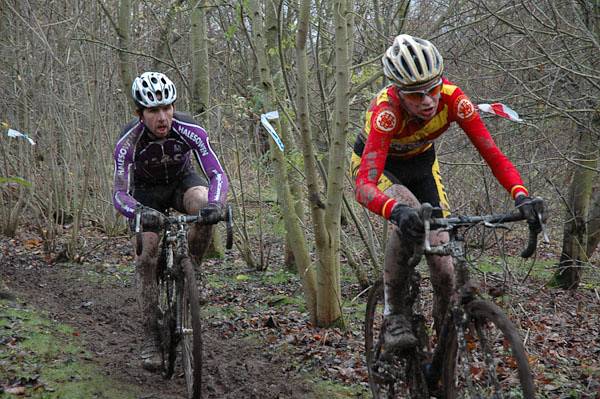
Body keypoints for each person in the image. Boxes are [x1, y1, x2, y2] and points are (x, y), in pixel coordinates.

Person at [352, 35, 543, 353]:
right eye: (415, 94)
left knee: (443, 265)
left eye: (432, 88)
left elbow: (493, 156)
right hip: (380, 168)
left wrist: (521, 196)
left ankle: (444, 350)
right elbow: (363, 186)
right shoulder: (386, 113)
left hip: (423, 164)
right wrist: (396, 212)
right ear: (399, 92)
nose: (427, 100)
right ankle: (394, 314)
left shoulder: (455, 100)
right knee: (407, 209)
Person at [112, 71, 229, 371]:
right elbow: (119, 193)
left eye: (167, 108)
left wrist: (215, 204)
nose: (162, 117)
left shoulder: (190, 129)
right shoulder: (129, 142)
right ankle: (150, 336)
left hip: (181, 184)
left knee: (204, 204)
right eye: (153, 110)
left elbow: (216, 174)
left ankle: (191, 270)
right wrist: (137, 212)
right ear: (140, 113)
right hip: (145, 194)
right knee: (147, 254)